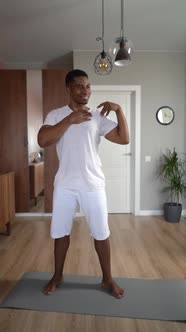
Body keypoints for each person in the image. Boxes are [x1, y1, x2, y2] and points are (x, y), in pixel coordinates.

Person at [38, 69, 129, 299]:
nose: (86, 90)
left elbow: (123, 138)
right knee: (60, 233)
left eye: (88, 86)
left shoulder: (96, 118)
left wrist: (119, 110)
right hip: (65, 185)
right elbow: (43, 140)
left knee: (101, 233)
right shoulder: (56, 115)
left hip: (93, 184)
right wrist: (70, 119)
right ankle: (58, 276)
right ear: (69, 89)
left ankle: (107, 279)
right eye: (80, 86)